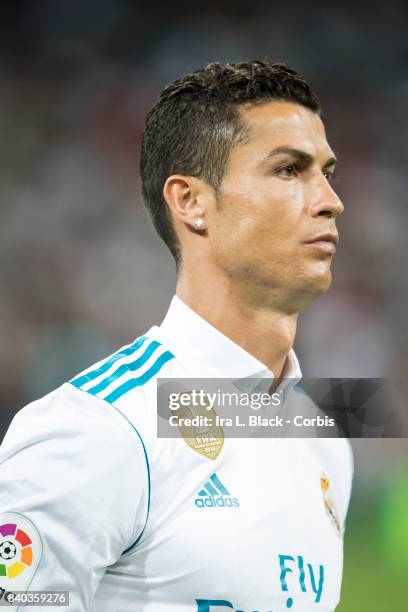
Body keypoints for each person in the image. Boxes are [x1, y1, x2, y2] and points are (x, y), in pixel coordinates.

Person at [0, 61, 353, 611]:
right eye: (289, 170)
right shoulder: (97, 430)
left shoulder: (324, 439)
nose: (330, 200)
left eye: (327, 172)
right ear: (190, 202)